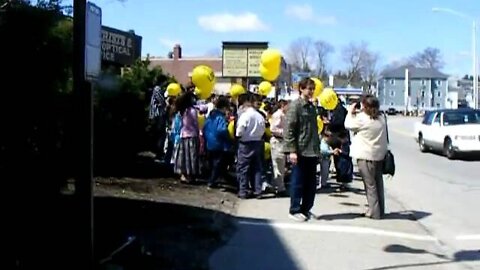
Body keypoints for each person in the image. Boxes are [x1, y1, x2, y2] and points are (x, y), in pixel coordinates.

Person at [344, 95, 388, 219]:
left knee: (370, 185)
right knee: (378, 183)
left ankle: (374, 212)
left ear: (365, 106)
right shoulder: (381, 118)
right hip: (379, 155)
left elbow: (348, 124)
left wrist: (350, 112)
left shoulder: (363, 118)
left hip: (365, 156)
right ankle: (380, 209)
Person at [284, 78, 320, 222]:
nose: (311, 91)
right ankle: (294, 209)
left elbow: (314, 130)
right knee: (298, 182)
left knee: (311, 184)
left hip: (312, 150)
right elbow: (289, 129)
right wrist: (292, 150)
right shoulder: (296, 106)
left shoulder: (311, 107)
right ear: (301, 89)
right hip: (300, 150)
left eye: (312, 89)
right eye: (308, 89)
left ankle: (306, 209)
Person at [236, 93, 266, 199]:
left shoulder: (246, 115)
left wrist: (239, 135)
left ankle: (243, 191)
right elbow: (263, 129)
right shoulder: (260, 116)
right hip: (258, 142)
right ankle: (258, 190)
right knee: (257, 168)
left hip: (246, 143)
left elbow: (240, 130)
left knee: (244, 168)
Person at [203, 96, 231, 189]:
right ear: (224, 108)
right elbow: (221, 130)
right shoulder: (220, 118)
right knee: (217, 164)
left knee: (211, 162)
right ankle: (212, 181)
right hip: (219, 143)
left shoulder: (211, 116)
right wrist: (228, 137)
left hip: (209, 142)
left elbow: (204, 128)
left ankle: (211, 179)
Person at [269, 99, 289, 196]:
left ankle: (276, 185)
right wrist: (284, 132)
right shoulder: (278, 115)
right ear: (282, 105)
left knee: (281, 165)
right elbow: (273, 129)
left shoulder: (284, 115)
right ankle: (280, 188)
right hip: (278, 141)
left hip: (282, 141)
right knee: (278, 164)